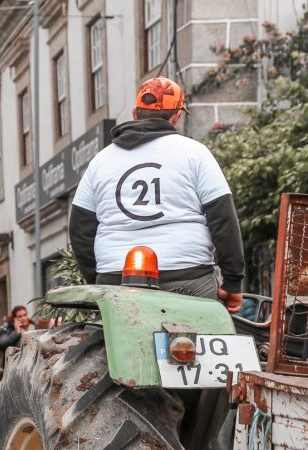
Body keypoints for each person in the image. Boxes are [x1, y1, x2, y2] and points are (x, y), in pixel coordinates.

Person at [69, 77, 244, 312]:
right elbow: (223, 218)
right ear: (176, 116)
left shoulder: (100, 162)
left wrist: (99, 279)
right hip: (187, 276)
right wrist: (232, 282)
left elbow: (79, 229)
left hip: (115, 279)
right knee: (210, 332)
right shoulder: (195, 153)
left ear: (134, 114)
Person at [0, 305, 34, 376]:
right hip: (14, 370)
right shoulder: (9, 329)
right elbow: (1, 344)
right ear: (15, 319)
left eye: (25, 315)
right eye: (20, 316)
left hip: (31, 368)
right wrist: (16, 332)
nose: (23, 318)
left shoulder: (34, 327)